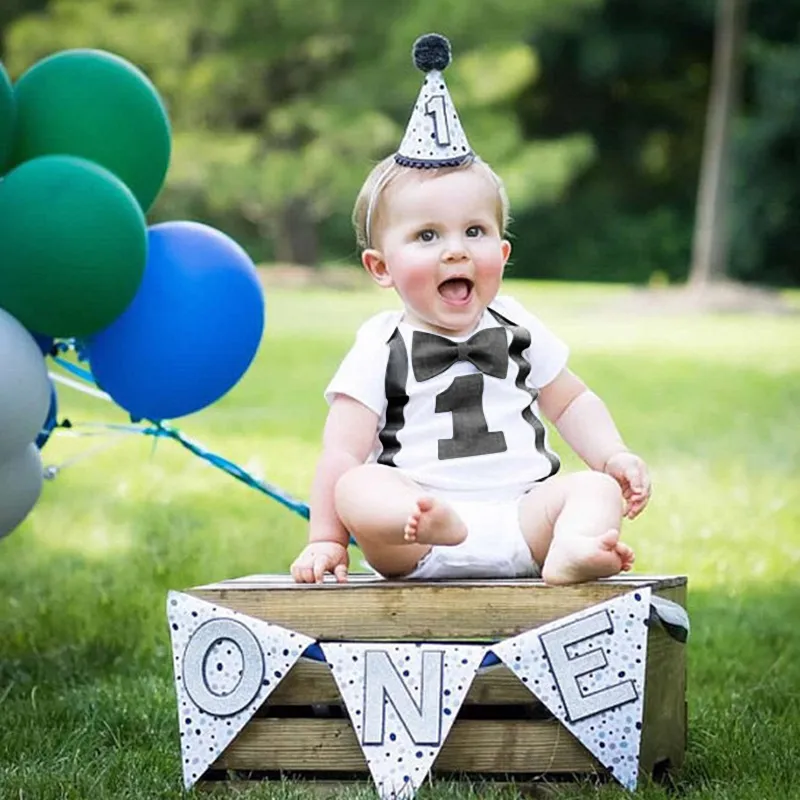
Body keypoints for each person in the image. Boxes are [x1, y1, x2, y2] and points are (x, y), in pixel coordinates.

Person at [291, 34, 651, 586]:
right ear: (380, 267)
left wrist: (613, 455)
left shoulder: (518, 327)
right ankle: (438, 523)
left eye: (475, 231)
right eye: (428, 234)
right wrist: (325, 540)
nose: (455, 249)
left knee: (594, 489)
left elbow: (572, 400)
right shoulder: (380, 348)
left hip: (524, 517)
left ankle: (572, 549)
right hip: (416, 532)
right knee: (357, 486)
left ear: (502, 254)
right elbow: (340, 453)